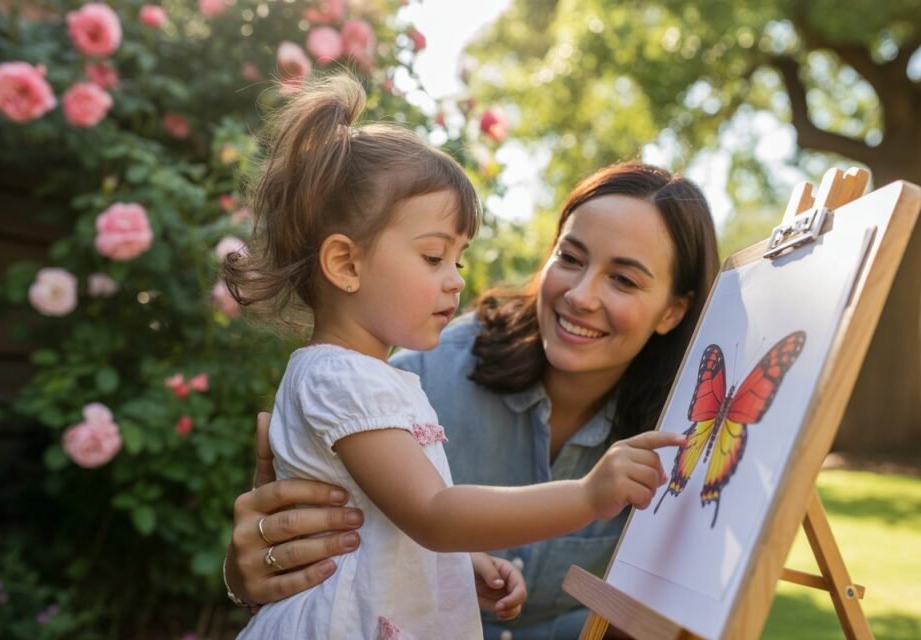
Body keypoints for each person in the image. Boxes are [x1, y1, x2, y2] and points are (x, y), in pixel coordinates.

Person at [222, 74, 688, 640]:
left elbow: (387, 525)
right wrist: (589, 495)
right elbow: (434, 512)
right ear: (345, 264)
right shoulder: (347, 378)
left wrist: (454, 563)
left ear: (674, 310)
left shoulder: (367, 377)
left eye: (459, 262)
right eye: (434, 257)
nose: (456, 284)